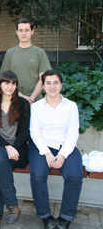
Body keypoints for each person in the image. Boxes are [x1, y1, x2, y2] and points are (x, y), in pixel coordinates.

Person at [29, 70, 82, 229]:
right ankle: (45, 215)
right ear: (43, 86)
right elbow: (34, 132)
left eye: (56, 83)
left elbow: (73, 133)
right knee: (38, 175)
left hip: (66, 146)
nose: (52, 86)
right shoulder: (36, 107)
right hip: (42, 147)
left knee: (74, 176)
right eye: (48, 83)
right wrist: (46, 153)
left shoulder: (71, 106)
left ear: (61, 85)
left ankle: (66, 216)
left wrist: (63, 155)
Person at [0, 71, 30, 229]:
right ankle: (12, 204)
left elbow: (25, 132)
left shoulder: (23, 104)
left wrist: (14, 146)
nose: (10, 86)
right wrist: (7, 146)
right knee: (0, 157)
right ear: (0, 84)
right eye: (6, 83)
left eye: (13, 83)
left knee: (0, 166)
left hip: (18, 149)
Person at [1, 17, 51, 104]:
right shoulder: (10, 53)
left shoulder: (40, 53)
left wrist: (32, 98)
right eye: (20, 30)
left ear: (32, 32)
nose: (23, 33)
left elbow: (44, 78)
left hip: (36, 101)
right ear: (16, 32)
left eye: (27, 30)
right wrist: (21, 96)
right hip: (14, 100)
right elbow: (5, 78)